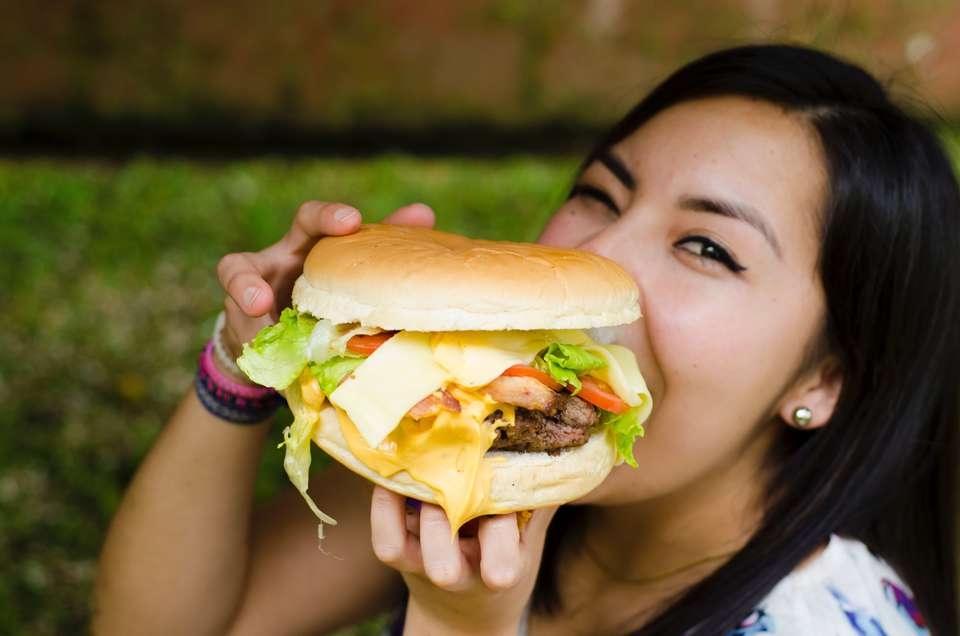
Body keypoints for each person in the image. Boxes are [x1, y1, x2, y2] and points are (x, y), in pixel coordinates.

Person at [92, 44, 959, 635]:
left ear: (826, 378)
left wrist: (459, 624)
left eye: (706, 247)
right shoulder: (476, 453)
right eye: (600, 195)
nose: (596, 258)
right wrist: (245, 363)